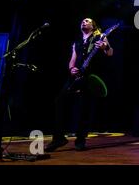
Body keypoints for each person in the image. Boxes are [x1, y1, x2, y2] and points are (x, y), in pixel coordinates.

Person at [45, 18, 113, 152]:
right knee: (59, 100)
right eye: (82, 21)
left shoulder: (100, 36)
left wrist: (105, 47)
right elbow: (72, 61)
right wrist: (71, 69)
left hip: (90, 77)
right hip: (76, 76)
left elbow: (110, 53)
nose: (84, 22)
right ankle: (59, 138)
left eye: (87, 21)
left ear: (93, 26)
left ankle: (80, 140)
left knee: (84, 107)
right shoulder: (76, 42)